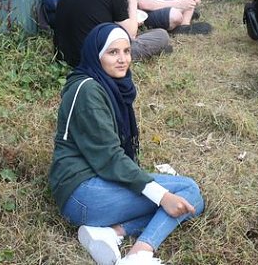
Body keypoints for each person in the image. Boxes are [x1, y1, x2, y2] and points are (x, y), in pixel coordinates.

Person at [49, 23, 204, 265]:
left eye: (126, 51)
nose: (123, 60)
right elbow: (110, 157)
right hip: (82, 192)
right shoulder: (87, 91)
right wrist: (161, 195)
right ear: (96, 53)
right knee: (188, 193)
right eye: (113, 52)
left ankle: (113, 232)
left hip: (93, 187)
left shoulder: (106, 84)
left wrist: (157, 192)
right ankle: (139, 253)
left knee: (187, 200)